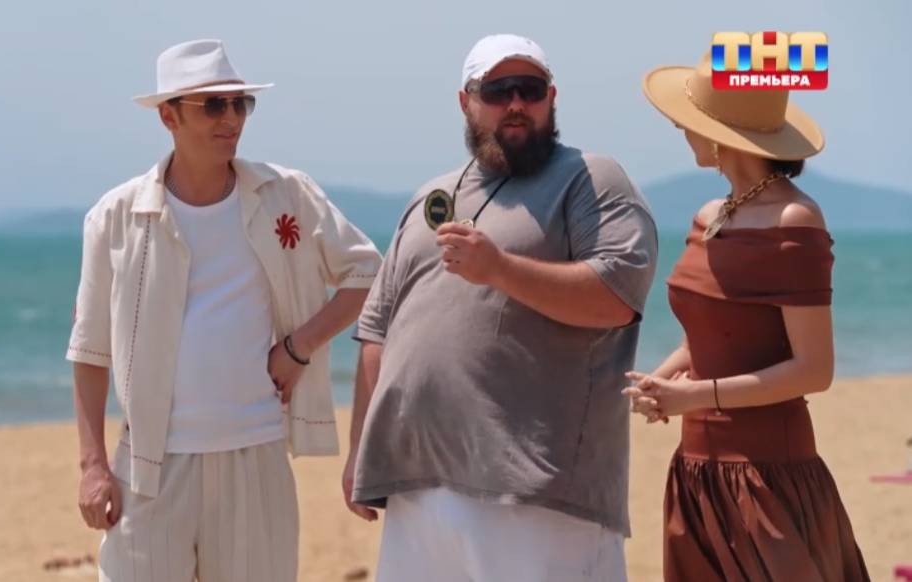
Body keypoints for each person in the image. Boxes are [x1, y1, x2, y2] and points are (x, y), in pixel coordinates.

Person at [343, 34, 658, 581]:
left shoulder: (590, 178)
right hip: (417, 486)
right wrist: (359, 453)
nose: (515, 103)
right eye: (497, 90)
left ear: (551, 97)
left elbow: (616, 295)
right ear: (465, 102)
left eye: (530, 89)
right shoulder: (430, 196)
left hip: (535, 493)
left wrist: (500, 269)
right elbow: (379, 328)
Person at [66, 39, 381, 581]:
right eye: (213, 105)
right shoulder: (115, 217)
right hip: (149, 468)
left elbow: (368, 275)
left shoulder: (286, 194)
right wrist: (92, 465)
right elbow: (91, 349)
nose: (231, 118)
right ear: (168, 116)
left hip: (256, 456)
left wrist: (298, 347)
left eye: (240, 104)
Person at [626, 51, 869, 581]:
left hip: (768, 475)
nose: (680, 129)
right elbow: (703, 338)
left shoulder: (794, 219)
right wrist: (659, 383)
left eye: (689, 120)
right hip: (696, 470)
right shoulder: (708, 216)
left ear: (723, 136)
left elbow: (814, 370)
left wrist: (695, 396)